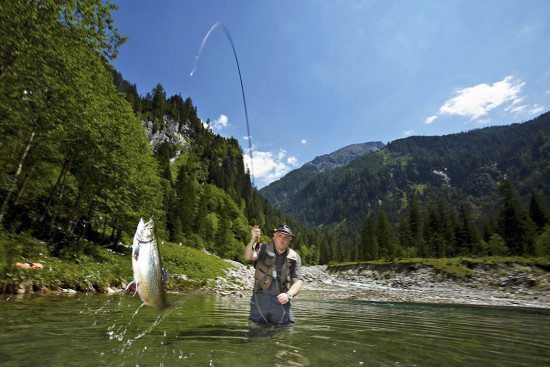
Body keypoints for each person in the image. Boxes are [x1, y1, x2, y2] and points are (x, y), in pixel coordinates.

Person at [243, 224, 304, 325]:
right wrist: (253, 240)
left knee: (285, 331)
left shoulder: (294, 257)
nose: (282, 239)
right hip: (260, 299)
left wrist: (288, 295)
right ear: (274, 237)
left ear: (290, 240)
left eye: (286, 237)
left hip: (282, 300)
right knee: (256, 332)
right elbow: (248, 256)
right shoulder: (263, 248)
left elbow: (298, 282)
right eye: (279, 236)